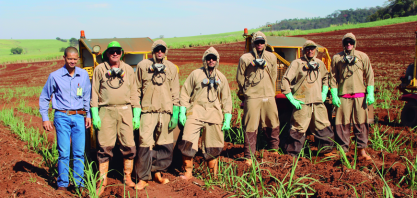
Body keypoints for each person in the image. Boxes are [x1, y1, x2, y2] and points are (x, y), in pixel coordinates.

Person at [90, 41, 140, 196]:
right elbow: (94, 93)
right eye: (112, 51)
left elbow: (134, 92)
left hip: (125, 110)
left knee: (129, 145)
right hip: (106, 111)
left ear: (121, 53)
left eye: (118, 51)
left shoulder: (128, 70)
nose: (115, 53)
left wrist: (136, 113)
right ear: (107, 53)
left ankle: (127, 177)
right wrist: (95, 114)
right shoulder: (100, 69)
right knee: (105, 146)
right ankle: (102, 180)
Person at [39, 47, 91, 192]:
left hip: (79, 116)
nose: (72, 61)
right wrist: (45, 118)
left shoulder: (83, 75)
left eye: (75, 59)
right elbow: (44, 97)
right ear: (64, 58)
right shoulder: (54, 76)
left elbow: (87, 96)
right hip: (62, 116)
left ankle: (79, 183)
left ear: (78, 59)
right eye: (69, 59)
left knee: (79, 152)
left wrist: (88, 115)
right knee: (64, 151)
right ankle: (62, 183)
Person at [178, 47, 232, 180]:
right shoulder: (195, 74)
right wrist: (182, 111)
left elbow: (227, 99)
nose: (211, 60)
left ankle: (213, 177)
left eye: (214, 58)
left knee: (213, 146)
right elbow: (185, 92)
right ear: (205, 60)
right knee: (188, 142)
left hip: (214, 115)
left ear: (217, 60)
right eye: (209, 58)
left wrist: (227, 117)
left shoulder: (222, 78)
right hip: (195, 113)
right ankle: (188, 173)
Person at [134, 40, 180, 190]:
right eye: (157, 49)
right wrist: (136, 112)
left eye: (162, 49)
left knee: (165, 144)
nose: (160, 52)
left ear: (165, 51)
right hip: (147, 111)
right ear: (153, 51)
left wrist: (176, 113)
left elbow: (175, 92)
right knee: (145, 144)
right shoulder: (143, 66)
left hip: (166, 112)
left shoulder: (172, 68)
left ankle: (157, 172)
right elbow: (136, 90)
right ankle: (143, 177)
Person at [281, 40, 335, 157]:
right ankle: (292, 155)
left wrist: (324, 92)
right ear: (304, 50)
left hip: (317, 101)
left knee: (323, 125)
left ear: (315, 50)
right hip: (302, 102)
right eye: (308, 48)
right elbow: (285, 80)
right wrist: (291, 98)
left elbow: (326, 77)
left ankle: (326, 151)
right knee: (298, 129)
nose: (310, 51)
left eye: (312, 48)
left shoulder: (320, 63)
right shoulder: (297, 63)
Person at [236, 31, 280, 165]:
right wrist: (247, 91)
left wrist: (270, 90)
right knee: (251, 124)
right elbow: (240, 78)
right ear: (253, 43)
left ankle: (273, 150)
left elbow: (274, 74)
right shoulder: (245, 58)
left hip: (268, 94)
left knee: (272, 121)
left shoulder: (272, 57)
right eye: (257, 42)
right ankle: (249, 155)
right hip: (252, 95)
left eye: (262, 42)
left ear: (265, 43)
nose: (259, 44)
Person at [330, 33, 374, 160]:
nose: (348, 44)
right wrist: (334, 94)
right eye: (346, 42)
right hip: (343, 96)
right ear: (343, 44)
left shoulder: (362, 56)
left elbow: (370, 74)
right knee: (341, 124)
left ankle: (362, 151)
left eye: (351, 42)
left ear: (355, 43)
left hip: (360, 96)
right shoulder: (337, 58)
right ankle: (342, 151)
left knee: (361, 123)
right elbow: (332, 76)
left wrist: (370, 92)